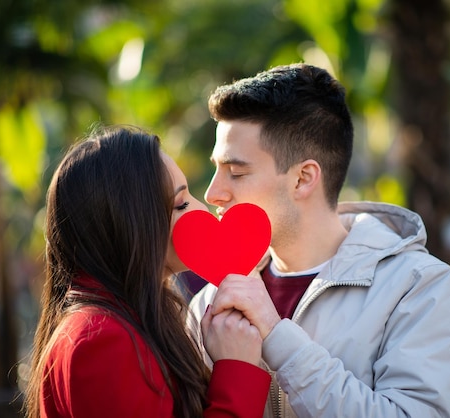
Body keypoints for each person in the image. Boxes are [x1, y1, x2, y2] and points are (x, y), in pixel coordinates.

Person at [188, 63, 450, 417]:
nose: (213, 193)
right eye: (216, 169)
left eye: (236, 172)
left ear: (304, 178)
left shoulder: (417, 287)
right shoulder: (210, 300)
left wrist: (277, 337)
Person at [23, 125, 271, 418]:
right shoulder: (102, 340)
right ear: (131, 226)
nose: (201, 210)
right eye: (180, 204)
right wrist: (235, 368)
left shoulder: (130, 320)